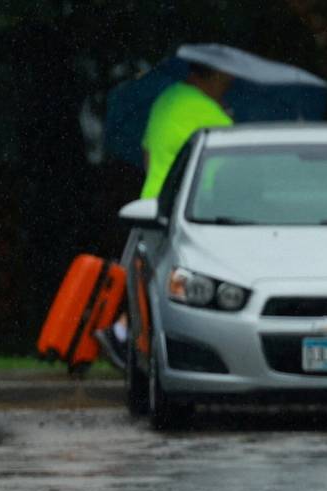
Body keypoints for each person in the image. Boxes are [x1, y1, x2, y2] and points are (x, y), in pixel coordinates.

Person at [96, 64, 235, 368]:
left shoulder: (166, 99)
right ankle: (132, 336)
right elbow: (228, 172)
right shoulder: (213, 117)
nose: (229, 82)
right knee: (181, 284)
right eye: (225, 77)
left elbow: (147, 154)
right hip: (189, 212)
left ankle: (124, 334)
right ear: (209, 75)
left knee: (145, 276)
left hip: (151, 202)